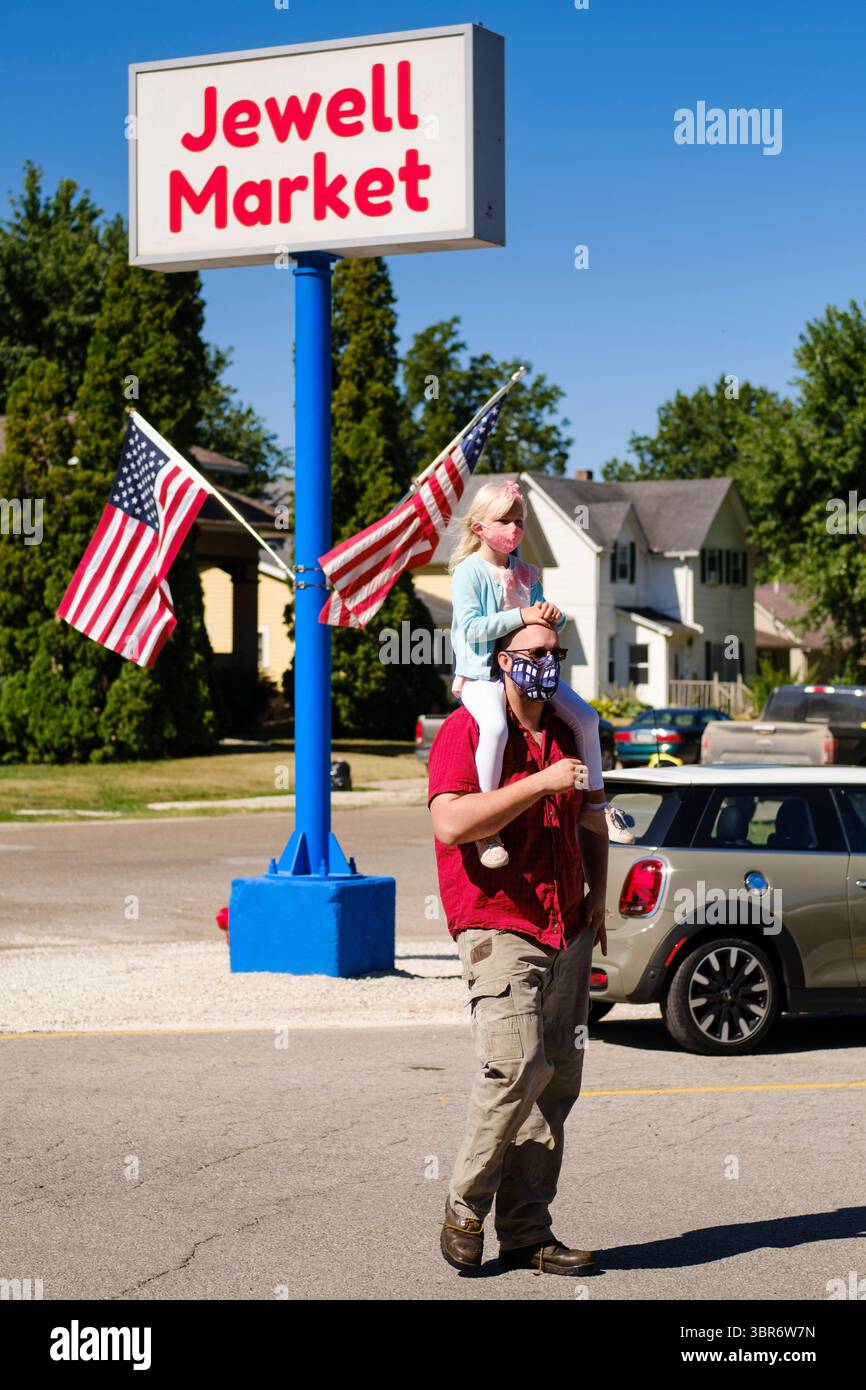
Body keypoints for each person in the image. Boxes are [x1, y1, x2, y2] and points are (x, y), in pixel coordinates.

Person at [428, 617, 608, 1276]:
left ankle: (528, 1231)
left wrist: (598, 895)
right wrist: (539, 783)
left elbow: (593, 814)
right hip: (498, 920)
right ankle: (465, 1206)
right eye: (535, 653)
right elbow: (450, 822)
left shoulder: (568, 732)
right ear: (504, 661)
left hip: (566, 921)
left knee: (556, 1081)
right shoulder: (467, 729)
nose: (549, 662)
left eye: (556, 651)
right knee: (517, 1064)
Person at [449, 478, 633, 868]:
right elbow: (471, 628)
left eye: (519, 521)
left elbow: (549, 620)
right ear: (480, 527)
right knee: (496, 728)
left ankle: (596, 805)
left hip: (529, 671)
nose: (514, 529)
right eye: (504, 520)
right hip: (483, 674)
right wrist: (522, 614)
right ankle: (486, 826)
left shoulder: (527, 573)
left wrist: (553, 615)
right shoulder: (470, 572)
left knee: (587, 716)